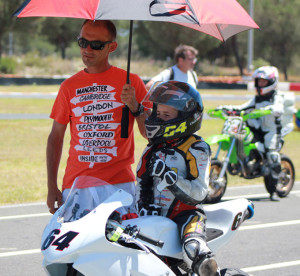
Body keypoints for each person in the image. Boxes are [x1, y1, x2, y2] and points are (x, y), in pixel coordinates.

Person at [46, 20, 149, 214]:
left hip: (119, 186)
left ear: (112, 47)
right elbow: (55, 137)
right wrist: (51, 186)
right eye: (83, 42)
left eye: (96, 45)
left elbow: (149, 134)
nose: (88, 49)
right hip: (77, 185)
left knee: (122, 244)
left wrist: (136, 107)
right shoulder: (68, 86)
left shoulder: (131, 82)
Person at [136, 81, 220, 276]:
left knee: (194, 250)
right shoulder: (152, 147)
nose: (158, 118)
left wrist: (170, 178)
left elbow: (199, 193)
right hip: (153, 215)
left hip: (187, 215)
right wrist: (139, 205)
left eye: (166, 115)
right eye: (158, 113)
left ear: (185, 118)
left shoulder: (196, 148)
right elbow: (140, 182)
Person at [217, 66, 285, 201]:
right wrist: (227, 108)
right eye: (259, 81)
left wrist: (269, 109)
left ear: (272, 82)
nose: (260, 84)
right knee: (242, 137)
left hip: (271, 131)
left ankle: (274, 190)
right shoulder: (256, 99)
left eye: (263, 82)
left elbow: (279, 108)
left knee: (272, 155)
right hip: (257, 129)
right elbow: (243, 107)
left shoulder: (277, 96)